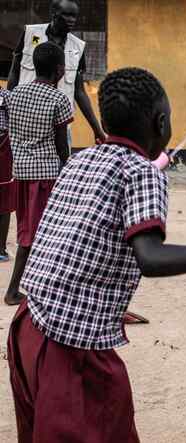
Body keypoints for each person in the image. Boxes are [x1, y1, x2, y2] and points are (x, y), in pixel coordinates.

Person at [7, 67, 186, 442]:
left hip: (28, 326)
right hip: (69, 345)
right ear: (161, 122)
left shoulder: (79, 160)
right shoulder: (142, 172)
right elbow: (151, 258)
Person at [4, 42, 73, 306]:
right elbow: (61, 144)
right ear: (58, 70)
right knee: (34, 235)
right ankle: (13, 291)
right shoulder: (58, 99)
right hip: (45, 176)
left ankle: (39, 287)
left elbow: (12, 127)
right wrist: (68, 170)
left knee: (28, 229)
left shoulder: (15, 95)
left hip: (20, 174)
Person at [7, 0, 106, 144]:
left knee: (62, 164)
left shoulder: (78, 46)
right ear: (53, 14)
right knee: (24, 165)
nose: (72, 20)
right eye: (67, 15)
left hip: (60, 126)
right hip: (25, 121)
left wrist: (97, 129)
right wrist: (8, 110)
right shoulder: (30, 33)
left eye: (74, 16)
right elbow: (14, 73)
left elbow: (79, 92)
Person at [0, 86, 16, 263]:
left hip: (4, 150)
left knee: (4, 201)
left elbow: (15, 124)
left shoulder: (6, 96)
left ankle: (1, 248)